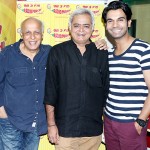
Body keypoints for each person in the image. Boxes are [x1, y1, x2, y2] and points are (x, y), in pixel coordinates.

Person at [44, 8, 109, 150]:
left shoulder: (102, 54)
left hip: (93, 132)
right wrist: (51, 125)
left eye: (86, 26)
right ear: (69, 27)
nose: (81, 30)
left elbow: (106, 93)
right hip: (64, 131)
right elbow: (50, 92)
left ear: (92, 28)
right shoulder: (57, 52)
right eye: (76, 25)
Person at [102, 1, 150, 150]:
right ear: (106, 25)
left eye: (120, 19)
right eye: (110, 21)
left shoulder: (143, 50)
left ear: (129, 22)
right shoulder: (108, 54)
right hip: (109, 121)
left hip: (131, 124)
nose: (115, 25)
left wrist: (141, 120)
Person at [0, 17, 51, 150]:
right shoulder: (7, 54)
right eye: (27, 32)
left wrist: (95, 44)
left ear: (42, 34)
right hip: (10, 122)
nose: (32, 37)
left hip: (36, 122)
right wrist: (1, 111)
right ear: (21, 34)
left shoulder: (50, 53)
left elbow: (73, 50)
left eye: (37, 32)